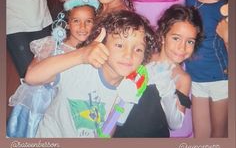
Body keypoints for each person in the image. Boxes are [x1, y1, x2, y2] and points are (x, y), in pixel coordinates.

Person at [24, 10, 156, 138]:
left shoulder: (131, 88)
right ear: (102, 44)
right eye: (120, 45)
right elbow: (31, 77)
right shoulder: (80, 68)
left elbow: (110, 127)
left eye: (138, 49)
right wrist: (81, 54)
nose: (129, 55)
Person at [7, 0, 100, 137]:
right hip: (43, 103)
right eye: (76, 21)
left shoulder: (92, 50)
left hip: (70, 106)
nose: (82, 27)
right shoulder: (52, 44)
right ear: (68, 24)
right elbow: (31, 71)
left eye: (88, 21)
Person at [114, 4, 203, 138]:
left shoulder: (183, 78)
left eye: (189, 42)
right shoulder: (143, 58)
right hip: (123, 132)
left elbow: (175, 124)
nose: (182, 47)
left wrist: (167, 91)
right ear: (162, 36)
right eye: (176, 38)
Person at [182, 0, 228, 138]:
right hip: (196, 76)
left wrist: (226, 37)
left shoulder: (225, 5)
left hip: (220, 79)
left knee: (219, 135)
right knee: (200, 136)